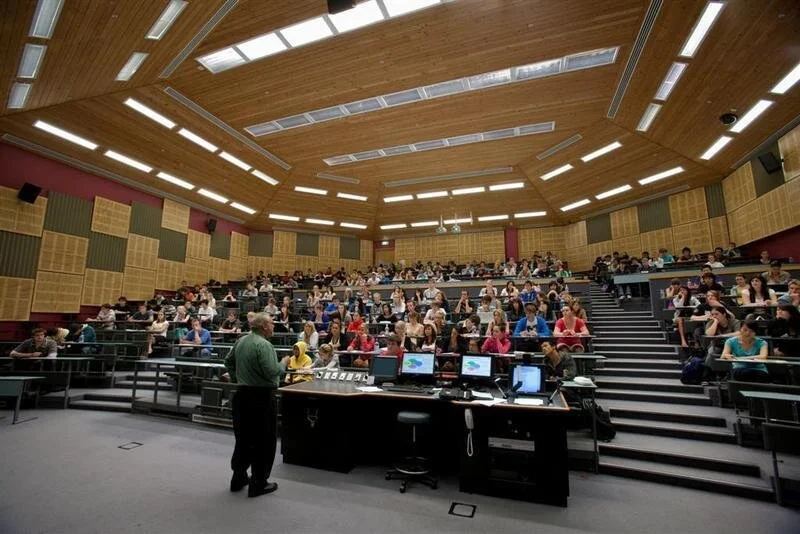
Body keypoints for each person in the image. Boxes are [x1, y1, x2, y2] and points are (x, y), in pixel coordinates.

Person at [224, 313, 281, 497]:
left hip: (242, 396)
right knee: (264, 441)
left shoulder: (241, 341)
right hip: (262, 398)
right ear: (264, 326)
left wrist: (237, 379)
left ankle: (238, 477)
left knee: (243, 439)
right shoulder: (265, 345)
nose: (274, 325)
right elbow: (272, 372)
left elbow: (228, 362)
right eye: (272, 323)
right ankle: (258, 483)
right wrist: (284, 364)